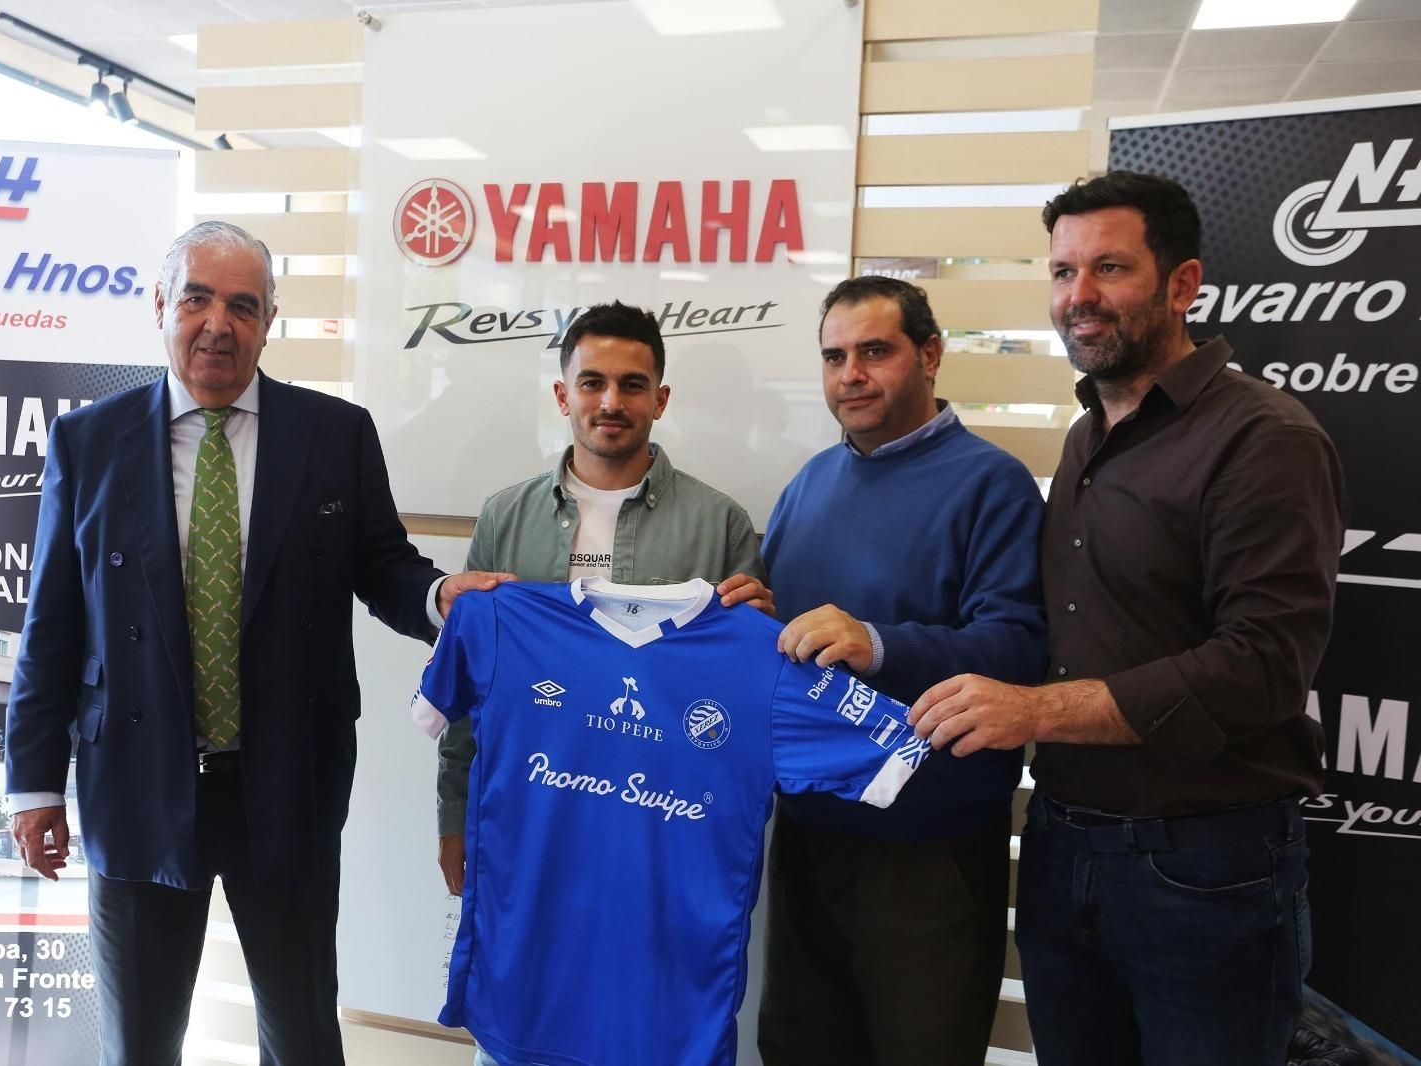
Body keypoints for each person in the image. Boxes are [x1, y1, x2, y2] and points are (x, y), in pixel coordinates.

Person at [4, 221, 510, 1066]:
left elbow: (384, 565)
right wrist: (31, 784)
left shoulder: (334, 435)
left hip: (287, 784)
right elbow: (51, 623)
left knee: (305, 1036)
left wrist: (438, 594)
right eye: (197, 298)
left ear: (269, 322)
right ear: (160, 304)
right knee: (138, 1043)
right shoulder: (87, 442)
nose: (218, 323)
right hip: (136, 783)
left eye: (243, 305)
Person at [909, 172, 1348, 1066]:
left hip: (1207, 862)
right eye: (1064, 271)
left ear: (1180, 284)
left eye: (1109, 268)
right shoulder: (1088, 434)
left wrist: (1033, 711)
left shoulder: (1265, 437)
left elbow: (1263, 665)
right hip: (1067, 839)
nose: (1080, 297)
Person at [757, 275, 1048, 1065]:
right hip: (810, 835)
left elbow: (1019, 648)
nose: (849, 374)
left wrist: (879, 644)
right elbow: (788, 641)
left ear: (929, 355)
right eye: (833, 356)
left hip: (930, 849)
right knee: (798, 1048)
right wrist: (752, 614)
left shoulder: (993, 484)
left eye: (873, 352)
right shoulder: (811, 481)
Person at [435, 300, 771, 898]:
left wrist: (758, 634)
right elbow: (468, 684)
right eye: (592, 383)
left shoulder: (722, 525)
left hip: (663, 820)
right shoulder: (503, 517)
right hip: (529, 811)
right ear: (564, 396)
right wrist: (453, 813)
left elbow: (742, 704)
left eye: (632, 385)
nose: (611, 403)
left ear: (660, 400)